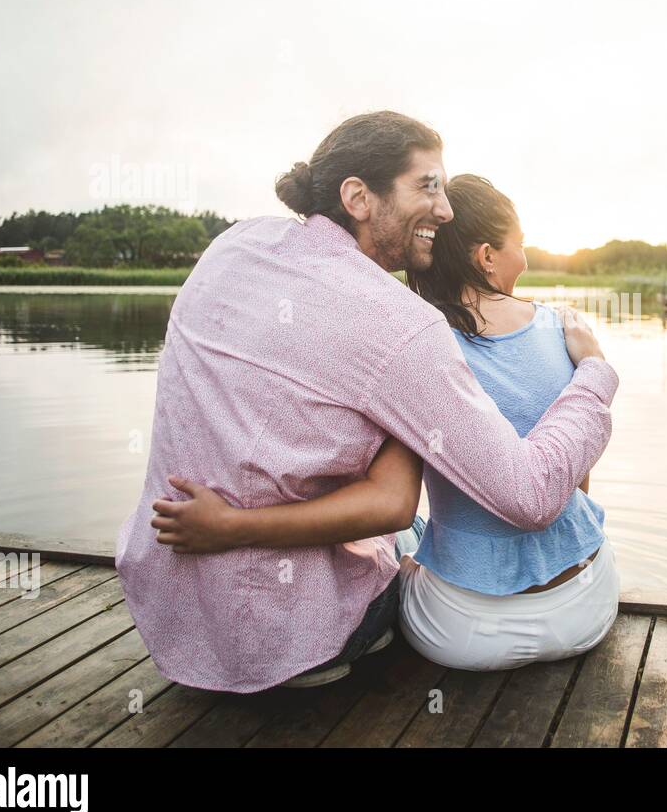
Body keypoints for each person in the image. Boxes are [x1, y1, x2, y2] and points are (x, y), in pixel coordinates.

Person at [115, 111, 618, 693]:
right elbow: (524, 497)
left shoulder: (234, 247)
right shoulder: (403, 326)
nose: (446, 209)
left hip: (177, 616)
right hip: (302, 639)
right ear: (357, 196)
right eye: (428, 186)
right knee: (409, 531)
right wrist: (596, 375)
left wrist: (232, 524)